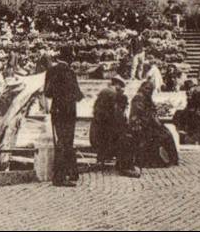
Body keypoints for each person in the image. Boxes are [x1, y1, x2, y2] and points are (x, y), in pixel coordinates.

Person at [43, 45, 84, 186]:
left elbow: (47, 93)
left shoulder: (51, 71)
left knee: (60, 141)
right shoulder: (69, 72)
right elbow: (78, 95)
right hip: (68, 112)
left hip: (56, 111)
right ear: (69, 58)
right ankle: (62, 177)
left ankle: (70, 173)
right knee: (67, 142)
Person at [90, 75, 137, 176]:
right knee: (126, 139)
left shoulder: (105, 91)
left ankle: (112, 160)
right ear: (118, 85)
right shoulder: (112, 94)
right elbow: (114, 117)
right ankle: (124, 166)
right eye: (121, 87)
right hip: (103, 134)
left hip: (98, 130)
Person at [128, 78, 179, 167]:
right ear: (142, 88)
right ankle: (166, 159)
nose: (148, 91)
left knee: (167, 133)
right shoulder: (138, 98)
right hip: (141, 125)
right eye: (147, 88)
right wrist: (154, 121)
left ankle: (171, 159)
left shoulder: (146, 98)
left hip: (148, 124)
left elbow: (151, 112)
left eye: (150, 89)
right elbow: (141, 114)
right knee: (165, 135)